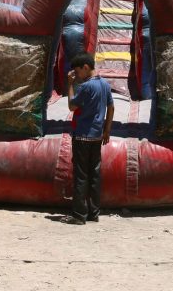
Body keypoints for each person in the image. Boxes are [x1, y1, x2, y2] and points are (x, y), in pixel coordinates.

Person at [63, 52, 114, 225]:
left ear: (85, 67)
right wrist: (107, 130)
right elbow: (111, 107)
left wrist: (70, 85)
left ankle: (78, 215)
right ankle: (94, 212)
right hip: (97, 136)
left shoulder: (85, 87)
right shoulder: (105, 85)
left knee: (81, 175)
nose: (76, 76)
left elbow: (72, 106)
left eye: (77, 72)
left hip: (82, 136)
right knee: (94, 175)